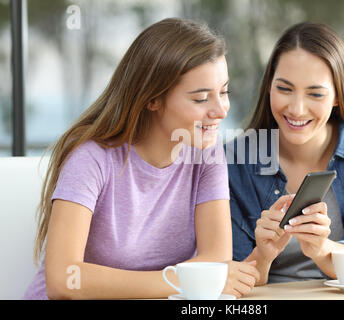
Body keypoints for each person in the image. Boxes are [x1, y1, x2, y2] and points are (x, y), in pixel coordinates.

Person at [24, 18, 259, 300]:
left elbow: (216, 260)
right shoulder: (91, 160)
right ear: (153, 100)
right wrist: (184, 281)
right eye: (200, 99)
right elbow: (64, 280)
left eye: (223, 92)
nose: (221, 110)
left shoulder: (207, 155)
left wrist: (189, 279)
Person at [226, 22, 344, 285]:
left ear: (338, 96)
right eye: (284, 89)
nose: (297, 109)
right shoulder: (235, 159)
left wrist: (322, 250)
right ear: (269, 88)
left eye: (315, 94)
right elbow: (235, 277)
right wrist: (262, 255)